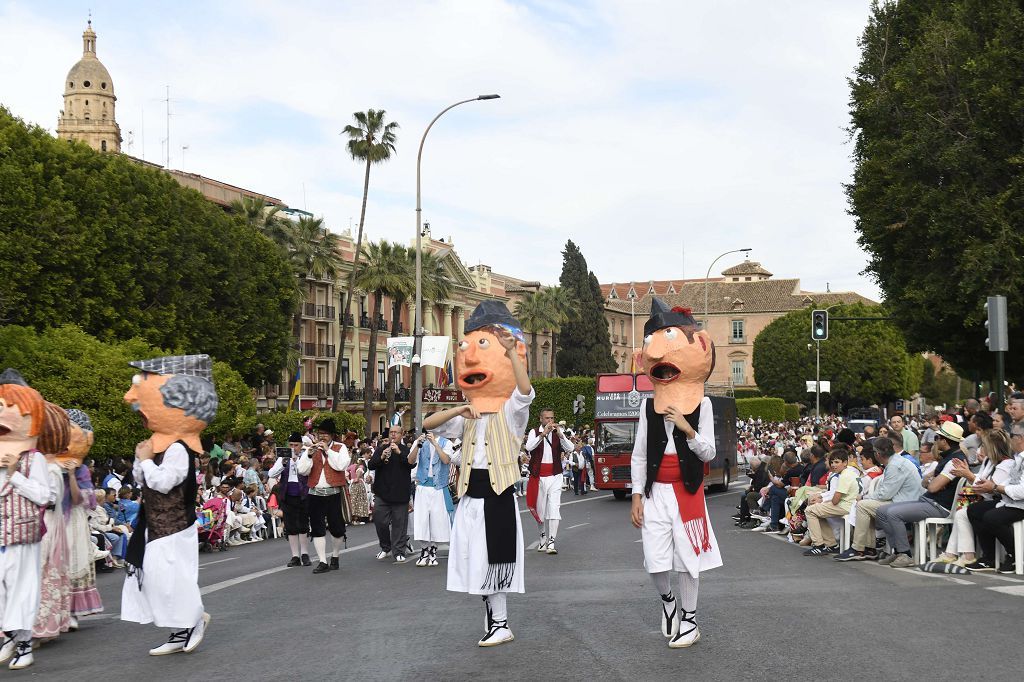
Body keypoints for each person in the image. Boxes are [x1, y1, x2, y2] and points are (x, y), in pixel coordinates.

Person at [423, 301, 534, 647]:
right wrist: (459, 407)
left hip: (497, 496)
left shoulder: (512, 414)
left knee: (492, 560)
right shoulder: (466, 418)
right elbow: (426, 424)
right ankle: (492, 616)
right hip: (471, 498)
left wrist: (511, 354)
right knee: (474, 562)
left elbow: (525, 392)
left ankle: (501, 622)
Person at [629, 301, 721, 649]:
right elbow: (639, 455)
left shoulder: (705, 405)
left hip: (687, 490)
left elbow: (709, 453)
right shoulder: (646, 407)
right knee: (654, 561)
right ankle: (668, 601)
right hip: (655, 493)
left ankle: (691, 620)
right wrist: (637, 494)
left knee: (687, 560)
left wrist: (687, 429)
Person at [121, 354, 214, 656]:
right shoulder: (158, 446)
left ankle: (194, 620)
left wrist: (147, 461)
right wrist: (142, 459)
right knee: (158, 581)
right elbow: (142, 479)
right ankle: (176, 630)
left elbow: (163, 482)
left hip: (175, 525)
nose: (132, 399)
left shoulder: (178, 449)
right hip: (155, 525)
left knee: (175, 579)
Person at [0, 370, 53, 670]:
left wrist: (15, 475)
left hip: (22, 535)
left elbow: (43, 495)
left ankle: (23, 644)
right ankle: (10, 635)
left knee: (21, 590)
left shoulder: (35, 459)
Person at [874, 421, 968, 569]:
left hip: (939, 506)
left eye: (937, 438)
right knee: (881, 511)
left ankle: (905, 554)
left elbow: (932, 487)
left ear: (944, 441)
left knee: (892, 513)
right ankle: (897, 550)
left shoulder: (954, 461)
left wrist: (931, 481)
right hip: (929, 501)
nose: (935, 442)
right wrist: (931, 481)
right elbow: (926, 483)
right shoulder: (948, 458)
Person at [936, 429, 1015, 567]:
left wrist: (968, 475)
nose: (981, 449)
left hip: (998, 501)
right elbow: (982, 483)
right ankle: (961, 554)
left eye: (984, 445)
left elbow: (988, 489)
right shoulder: (989, 462)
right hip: (985, 498)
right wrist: (969, 475)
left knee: (968, 511)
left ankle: (962, 554)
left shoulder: (1006, 464)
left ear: (993, 447)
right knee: (961, 513)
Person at [834, 436, 922, 561]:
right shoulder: (895, 462)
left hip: (906, 503)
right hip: (904, 500)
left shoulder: (895, 465)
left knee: (863, 505)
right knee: (866, 505)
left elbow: (885, 494)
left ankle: (859, 548)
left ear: (878, 454)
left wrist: (864, 497)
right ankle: (869, 548)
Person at [964, 423, 1024, 571]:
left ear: (1021, 438)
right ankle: (988, 558)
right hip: (1009, 501)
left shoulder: (1009, 461)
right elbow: (1008, 482)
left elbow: (1021, 490)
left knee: (991, 517)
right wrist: (990, 486)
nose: (1009, 440)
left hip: (1019, 503)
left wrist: (994, 487)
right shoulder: (1016, 459)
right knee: (972, 510)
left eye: (1012, 436)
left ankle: (1016, 556)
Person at [295, 418, 348, 574]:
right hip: (315, 494)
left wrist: (327, 451)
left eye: (325, 434)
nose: (322, 437)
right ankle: (322, 561)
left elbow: (341, 465)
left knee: (337, 529)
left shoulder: (340, 447)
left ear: (332, 435)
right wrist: (309, 455)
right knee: (317, 529)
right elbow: (302, 471)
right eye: (320, 434)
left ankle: (335, 557)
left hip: (334, 493)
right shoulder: (311, 449)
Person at [524, 407, 573, 554]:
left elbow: (570, 448)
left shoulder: (558, 432)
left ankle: (551, 542)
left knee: (554, 508)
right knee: (540, 510)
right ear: (541, 419)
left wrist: (561, 434)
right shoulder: (534, 431)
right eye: (547, 418)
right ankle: (543, 537)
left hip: (555, 475)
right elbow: (528, 447)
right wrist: (542, 434)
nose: (550, 421)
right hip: (538, 476)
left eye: (552, 418)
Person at [408, 426, 455, 567]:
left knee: (437, 521)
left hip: (438, 487)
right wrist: (418, 445)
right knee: (422, 520)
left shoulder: (446, 443)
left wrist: (435, 443)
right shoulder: (420, 442)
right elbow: (410, 461)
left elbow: (446, 460)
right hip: (422, 486)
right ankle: (424, 550)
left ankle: (433, 551)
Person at [368, 425, 414, 563]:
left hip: (400, 494)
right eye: (391, 432)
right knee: (380, 521)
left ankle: (399, 550)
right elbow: (371, 465)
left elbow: (411, 464)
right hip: (382, 493)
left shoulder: (406, 450)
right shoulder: (381, 448)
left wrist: (399, 452)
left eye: (396, 433)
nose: (393, 435)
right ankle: (385, 547)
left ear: (402, 434)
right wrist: (382, 456)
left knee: (399, 525)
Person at [802, 449, 860, 556]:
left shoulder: (844, 475)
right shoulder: (851, 473)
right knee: (816, 510)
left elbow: (835, 500)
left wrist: (823, 501)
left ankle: (819, 545)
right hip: (850, 505)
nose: (833, 465)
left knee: (810, 510)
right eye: (832, 462)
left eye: (837, 462)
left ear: (845, 463)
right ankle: (831, 544)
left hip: (845, 506)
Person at [267, 433, 311, 567]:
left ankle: (304, 553)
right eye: (291, 445)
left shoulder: (305, 456)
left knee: (303, 524)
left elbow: (306, 472)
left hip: (303, 493)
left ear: (301, 446)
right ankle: (295, 556)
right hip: (287, 494)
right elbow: (271, 474)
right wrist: (284, 462)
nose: (293, 448)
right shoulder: (283, 458)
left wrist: (297, 460)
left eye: (296, 445)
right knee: (290, 525)